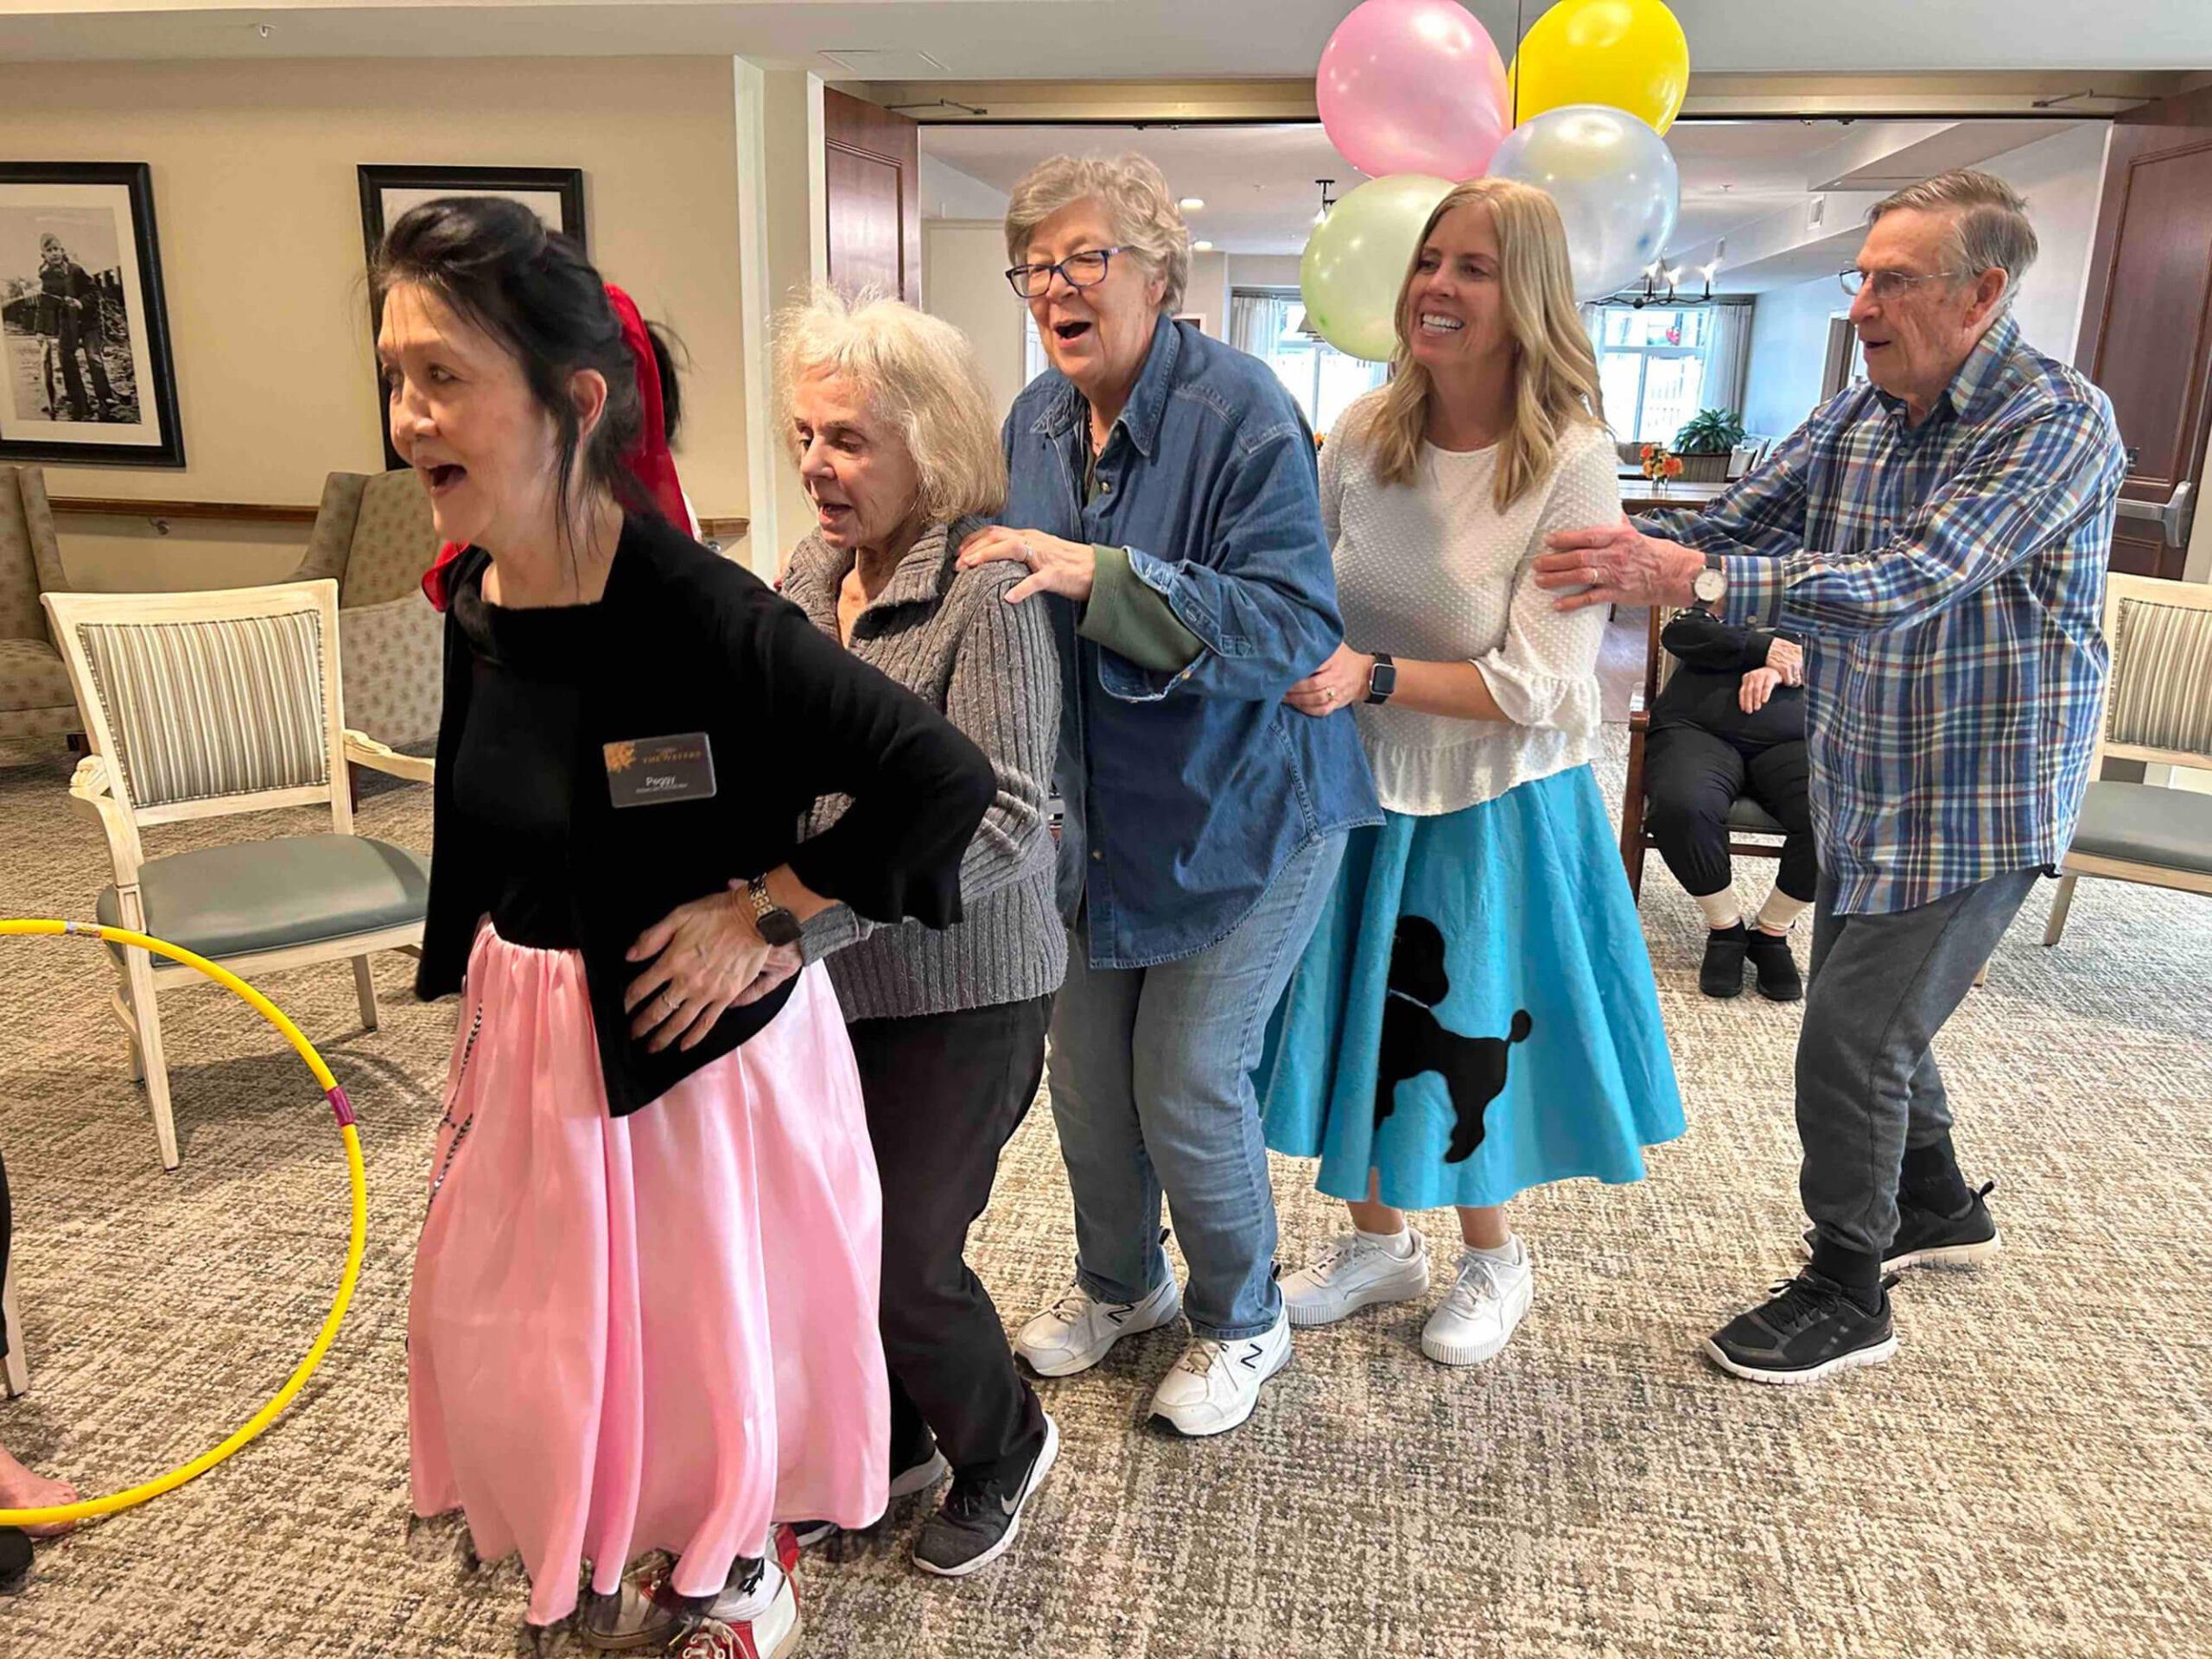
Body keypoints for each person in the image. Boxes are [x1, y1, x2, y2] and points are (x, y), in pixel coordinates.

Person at [382, 199, 995, 1652]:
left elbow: (941, 779)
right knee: (539, 1330)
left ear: (574, 403)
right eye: (394, 377)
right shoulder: (476, 594)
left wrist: (774, 912)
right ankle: (599, 1526)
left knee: (696, 1340)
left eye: (445, 378)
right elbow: (493, 816)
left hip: (686, 1066)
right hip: (535, 1039)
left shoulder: (704, 612)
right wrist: (479, 973)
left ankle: (735, 1561)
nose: (408, 419)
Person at [1536, 168, 2125, 1385]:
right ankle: (1939, 1201)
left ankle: (1847, 1287)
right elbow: (1743, 515)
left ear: (1981, 295)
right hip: (1868, 775)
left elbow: (1918, 577)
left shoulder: (2054, 422)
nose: (1860, 303)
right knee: (1880, 1011)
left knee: (1849, 1039)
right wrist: (1604, 532)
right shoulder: (1863, 416)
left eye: (1892, 280)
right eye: (1861, 275)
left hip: (1977, 796)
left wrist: (1694, 583)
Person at [960, 153, 1380, 1437]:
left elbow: (1294, 631)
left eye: (1084, 259)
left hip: (1254, 808)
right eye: (1036, 265)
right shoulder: (1032, 417)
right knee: (1085, 1073)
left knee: (1188, 1075)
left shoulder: (1242, 411)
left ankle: (1242, 1320)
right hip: (1098, 821)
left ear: (1157, 273)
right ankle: (1120, 1284)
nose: (1054, 287)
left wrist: (1103, 573)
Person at [1255, 178, 1686, 1369]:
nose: (1436, 287)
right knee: (1352, 1016)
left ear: (1529, 296)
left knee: (1472, 1030)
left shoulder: (1570, 461)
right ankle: (1379, 1242)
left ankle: (1496, 1256)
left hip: (1493, 802)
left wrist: (1374, 676)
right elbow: (1310, 603)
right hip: (1356, 786)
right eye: (1428, 260)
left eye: (1474, 268)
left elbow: (1547, 684)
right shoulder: (1360, 435)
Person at [774, 289, 1065, 1577]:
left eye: (847, 439)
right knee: (823, 1240)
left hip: (966, 993)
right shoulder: (800, 577)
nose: (816, 467)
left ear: (929, 446)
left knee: (904, 1254)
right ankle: (894, 1436)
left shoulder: (987, 591)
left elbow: (1005, 824)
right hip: (822, 988)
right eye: (802, 435)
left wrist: (808, 919)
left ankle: (1005, 1440)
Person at [1643, 608, 1815, 1000]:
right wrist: (1762, 648)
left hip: (1797, 737)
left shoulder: (1829, 586)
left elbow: (1857, 649)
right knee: (1681, 806)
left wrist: (1787, 664)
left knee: (1841, 815)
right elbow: (1681, 632)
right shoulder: (1724, 585)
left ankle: (1772, 932)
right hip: (1697, 729)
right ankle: (1726, 929)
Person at [34, 232, 118, 423]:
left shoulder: (76, 270)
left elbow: (93, 291)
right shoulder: (46, 277)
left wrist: (80, 303)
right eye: (49, 250)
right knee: (66, 358)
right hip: (68, 324)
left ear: (62, 251)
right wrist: (40, 330)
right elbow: (45, 306)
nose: (54, 253)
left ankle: (105, 399)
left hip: (88, 322)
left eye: (57, 249)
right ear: (43, 255)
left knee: (93, 358)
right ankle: (80, 403)